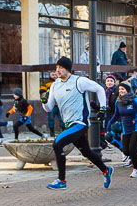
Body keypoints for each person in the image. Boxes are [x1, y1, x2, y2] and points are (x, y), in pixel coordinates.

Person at [42, 56, 113, 190]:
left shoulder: (79, 81)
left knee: (57, 144)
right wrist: (44, 101)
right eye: (57, 68)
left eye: (61, 67)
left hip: (80, 123)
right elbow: (48, 108)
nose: (58, 70)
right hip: (68, 124)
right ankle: (106, 170)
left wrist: (103, 109)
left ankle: (61, 180)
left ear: (68, 69)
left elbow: (99, 89)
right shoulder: (55, 85)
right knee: (86, 152)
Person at [106, 82, 137, 178]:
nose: (121, 91)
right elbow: (116, 115)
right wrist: (109, 124)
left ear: (127, 90)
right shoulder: (118, 102)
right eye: (120, 89)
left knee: (132, 149)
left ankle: (136, 170)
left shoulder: (135, 100)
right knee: (126, 151)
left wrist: (136, 119)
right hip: (126, 128)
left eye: (123, 89)